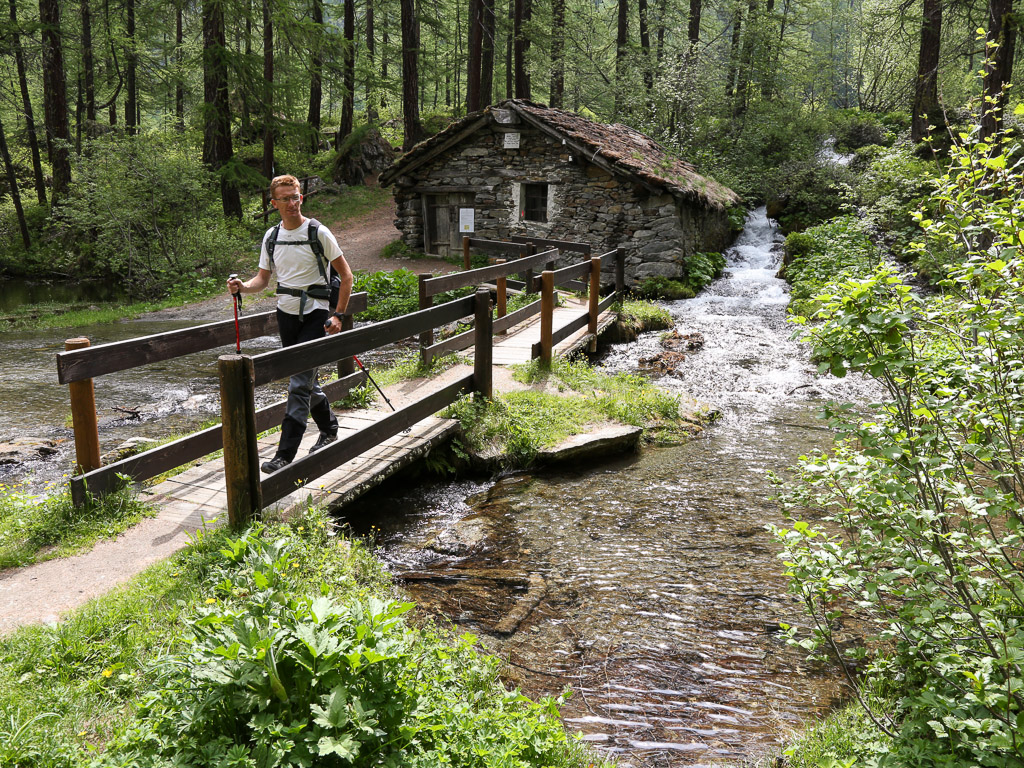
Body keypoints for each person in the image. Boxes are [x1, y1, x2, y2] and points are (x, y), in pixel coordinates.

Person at [227, 175, 354, 474]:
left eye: (295, 196)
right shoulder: (271, 237)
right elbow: (263, 279)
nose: (292, 203)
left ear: (301, 198)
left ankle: (285, 454)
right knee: (306, 381)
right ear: (274, 204)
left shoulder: (318, 232)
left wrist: (338, 315)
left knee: (298, 384)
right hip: (285, 315)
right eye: (285, 198)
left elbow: (346, 277)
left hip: (315, 315)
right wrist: (242, 287)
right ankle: (330, 428)